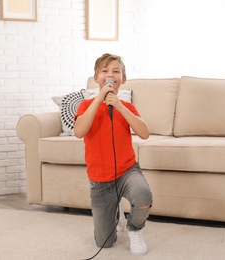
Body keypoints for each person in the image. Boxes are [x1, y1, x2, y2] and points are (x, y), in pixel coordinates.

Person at [74, 53, 153, 256]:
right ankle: (117, 211)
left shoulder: (126, 106)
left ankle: (135, 229)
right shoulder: (86, 106)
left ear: (123, 79)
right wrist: (99, 98)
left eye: (116, 71)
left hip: (127, 171)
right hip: (100, 180)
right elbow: (79, 131)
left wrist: (118, 105)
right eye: (105, 71)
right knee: (105, 242)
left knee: (143, 196)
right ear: (96, 78)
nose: (110, 75)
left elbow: (144, 133)